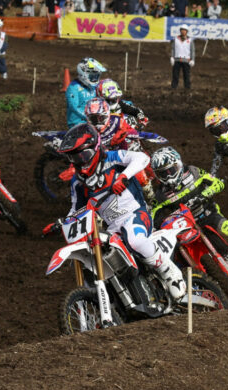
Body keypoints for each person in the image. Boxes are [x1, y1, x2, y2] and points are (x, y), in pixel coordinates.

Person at [55, 123, 186, 300]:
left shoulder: (112, 158)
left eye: (84, 155)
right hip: (112, 228)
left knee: (135, 239)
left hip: (136, 214)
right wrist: (65, 221)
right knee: (96, 256)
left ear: (95, 149)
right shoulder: (77, 182)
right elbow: (76, 208)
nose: (80, 162)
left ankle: (168, 270)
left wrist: (124, 176)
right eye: (74, 158)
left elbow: (141, 158)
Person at [149, 147, 228, 285]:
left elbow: (217, 183)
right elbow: (154, 214)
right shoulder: (161, 194)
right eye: (163, 174)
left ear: (178, 165)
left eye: (170, 171)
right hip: (186, 227)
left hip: (208, 214)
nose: (168, 176)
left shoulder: (193, 172)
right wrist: (156, 224)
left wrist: (203, 195)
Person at [66, 58, 107, 128]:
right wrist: (90, 118)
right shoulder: (73, 87)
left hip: (94, 122)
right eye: (92, 76)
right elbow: (74, 107)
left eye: (97, 76)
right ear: (84, 74)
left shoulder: (95, 87)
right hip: (77, 124)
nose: (95, 79)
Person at [170, 24, 194, 89]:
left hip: (186, 60)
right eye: (182, 30)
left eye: (184, 30)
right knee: (175, 74)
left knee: (186, 75)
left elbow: (192, 50)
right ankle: (173, 87)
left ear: (186, 31)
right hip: (177, 59)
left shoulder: (190, 40)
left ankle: (187, 88)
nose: (183, 31)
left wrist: (192, 59)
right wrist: (172, 57)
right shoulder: (176, 39)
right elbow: (173, 48)